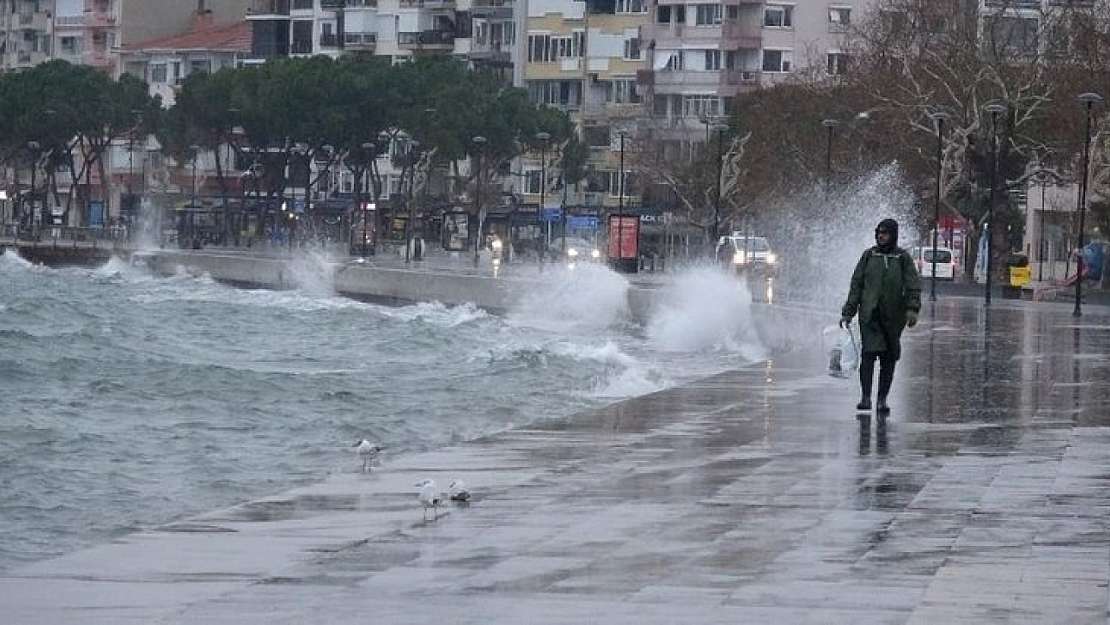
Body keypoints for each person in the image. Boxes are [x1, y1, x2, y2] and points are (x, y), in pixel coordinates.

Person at [840, 218, 921, 414]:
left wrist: (912, 310)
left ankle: (882, 400)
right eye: (878, 232)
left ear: (893, 234)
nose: (881, 236)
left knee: (889, 358)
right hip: (870, 316)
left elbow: (913, 286)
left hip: (893, 319)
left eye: (885, 233)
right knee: (868, 356)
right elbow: (856, 285)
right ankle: (866, 397)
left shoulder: (902, 258)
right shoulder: (869, 256)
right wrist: (848, 312)